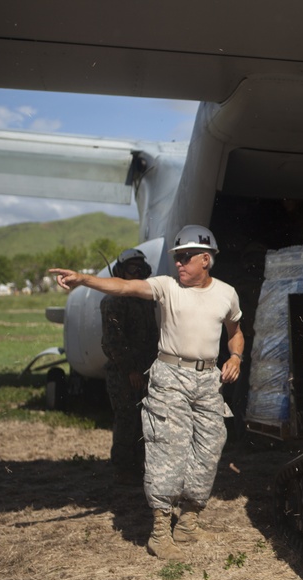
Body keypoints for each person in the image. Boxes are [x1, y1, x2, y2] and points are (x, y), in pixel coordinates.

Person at [50, 225, 244, 560]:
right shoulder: (166, 287)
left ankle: (188, 522)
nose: (179, 264)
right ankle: (159, 532)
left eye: (185, 258)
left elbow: (235, 332)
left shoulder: (226, 294)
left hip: (208, 380)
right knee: (166, 451)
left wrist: (237, 357)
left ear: (205, 259)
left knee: (209, 449)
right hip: (171, 377)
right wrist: (84, 279)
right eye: (177, 258)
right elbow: (124, 286)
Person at [101, 248, 159, 486]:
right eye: (131, 268)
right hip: (124, 373)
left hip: (146, 370)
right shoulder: (114, 301)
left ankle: (140, 469)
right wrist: (131, 371)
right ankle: (123, 471)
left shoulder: (145, 299)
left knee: (145, 422)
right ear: (120, 272)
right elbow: (113, 342)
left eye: (140, 267)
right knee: (127, 420)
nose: (137, 271)